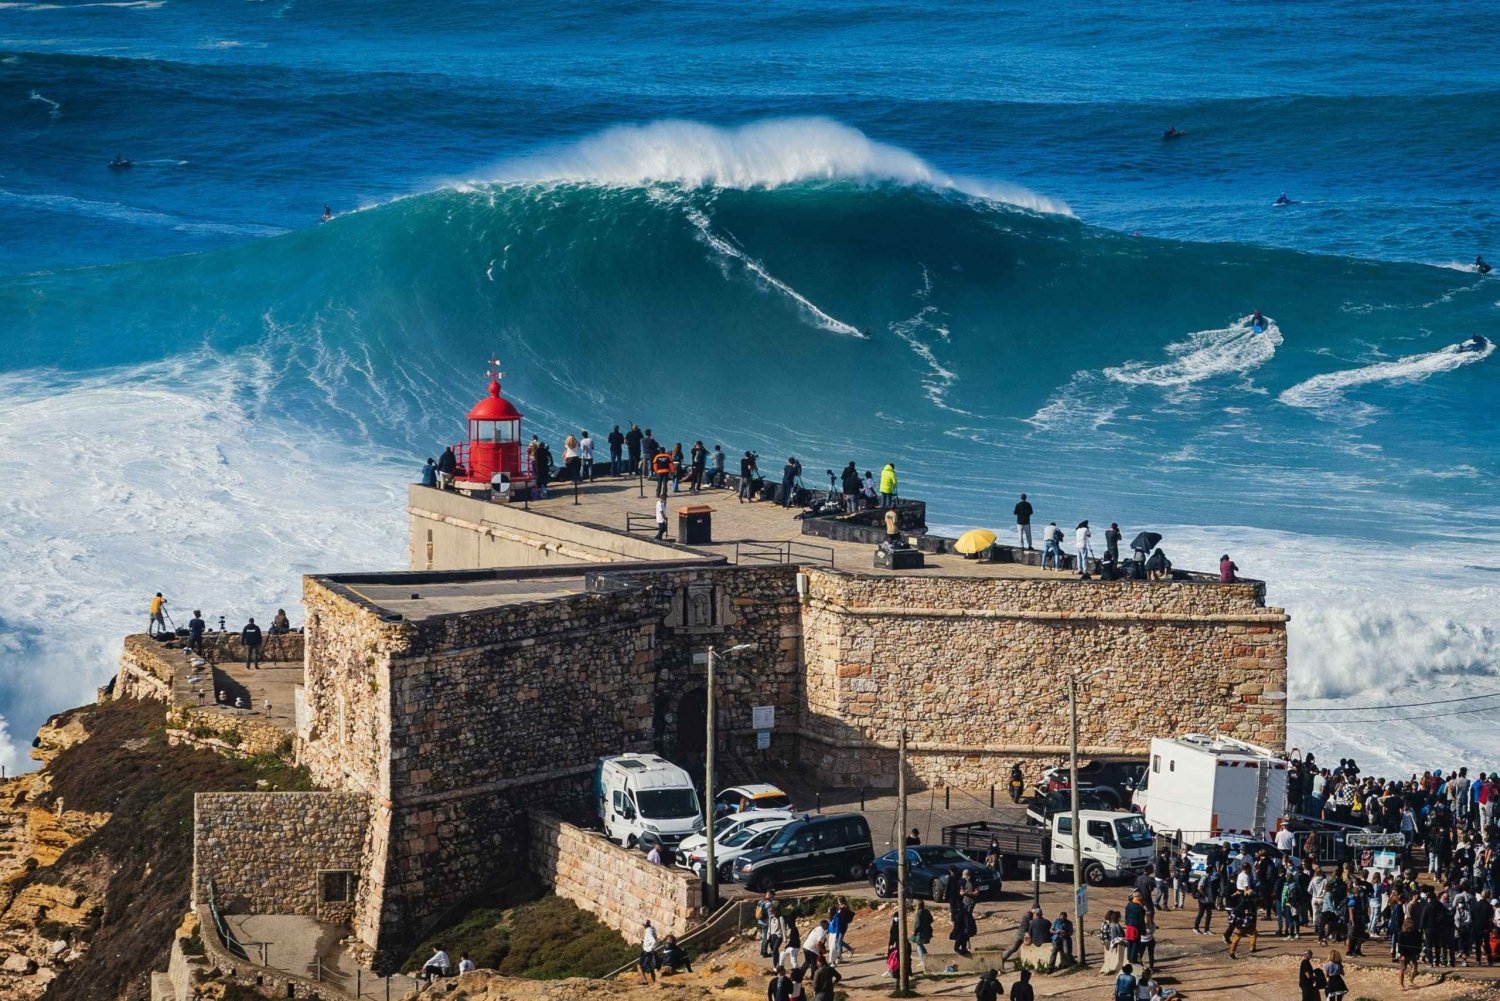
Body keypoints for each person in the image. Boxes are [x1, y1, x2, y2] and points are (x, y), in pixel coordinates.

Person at [911, 899, 932, 972]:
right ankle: (926, 958)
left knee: (919, 945)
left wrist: (914, 931)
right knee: (921, 945)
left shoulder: (918, 913)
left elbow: (918, 924)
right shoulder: (926, 911)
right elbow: (931, 920)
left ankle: (922, 960)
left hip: (920, 932)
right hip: (927, 930)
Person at [757, 890, 778, 957]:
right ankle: (764, 952)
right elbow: (770, 915)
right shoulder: (768, 903)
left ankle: (762, 951)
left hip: (760, 921)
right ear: (771, 895)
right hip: (766, 923)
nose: (773, 898)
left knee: (764, 937)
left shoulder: (760, 901)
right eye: (773, 896)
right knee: (766, 938)